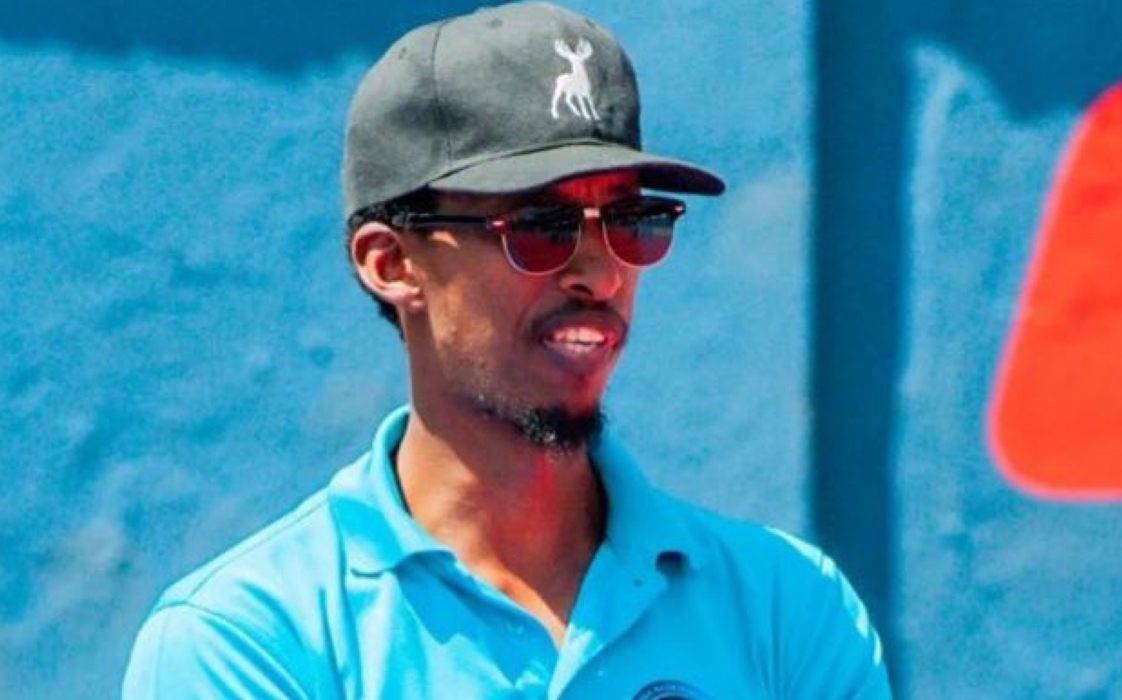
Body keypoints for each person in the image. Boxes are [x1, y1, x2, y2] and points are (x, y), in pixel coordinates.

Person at [121, 3, 893, 698]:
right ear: (392, 264)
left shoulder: (788, 607)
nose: (600, 272)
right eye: (540, 226)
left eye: (630, 221)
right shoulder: (246, 641)